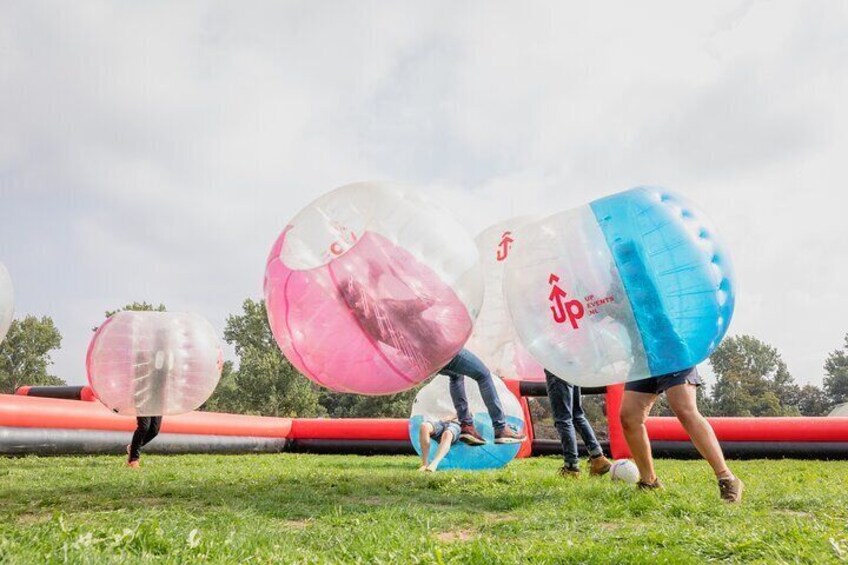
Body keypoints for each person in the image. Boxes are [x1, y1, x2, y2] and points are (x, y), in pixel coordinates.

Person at [620, 367, 743, 502]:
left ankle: (727, 478)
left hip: (674, 355)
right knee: (629, 418)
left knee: (685, 410)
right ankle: (649, 482)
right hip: (644, 359)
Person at [440, 348, 526, 445]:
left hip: (429, 359)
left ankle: (467, 426)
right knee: (483, 375)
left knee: (456, 376)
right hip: (442, 347)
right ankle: (500, 428)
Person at [544, 369, 612, 477]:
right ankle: (598, 458)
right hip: (572, 367)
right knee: (577, 416)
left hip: (557, 367)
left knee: (563, 419)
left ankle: (571, 468)